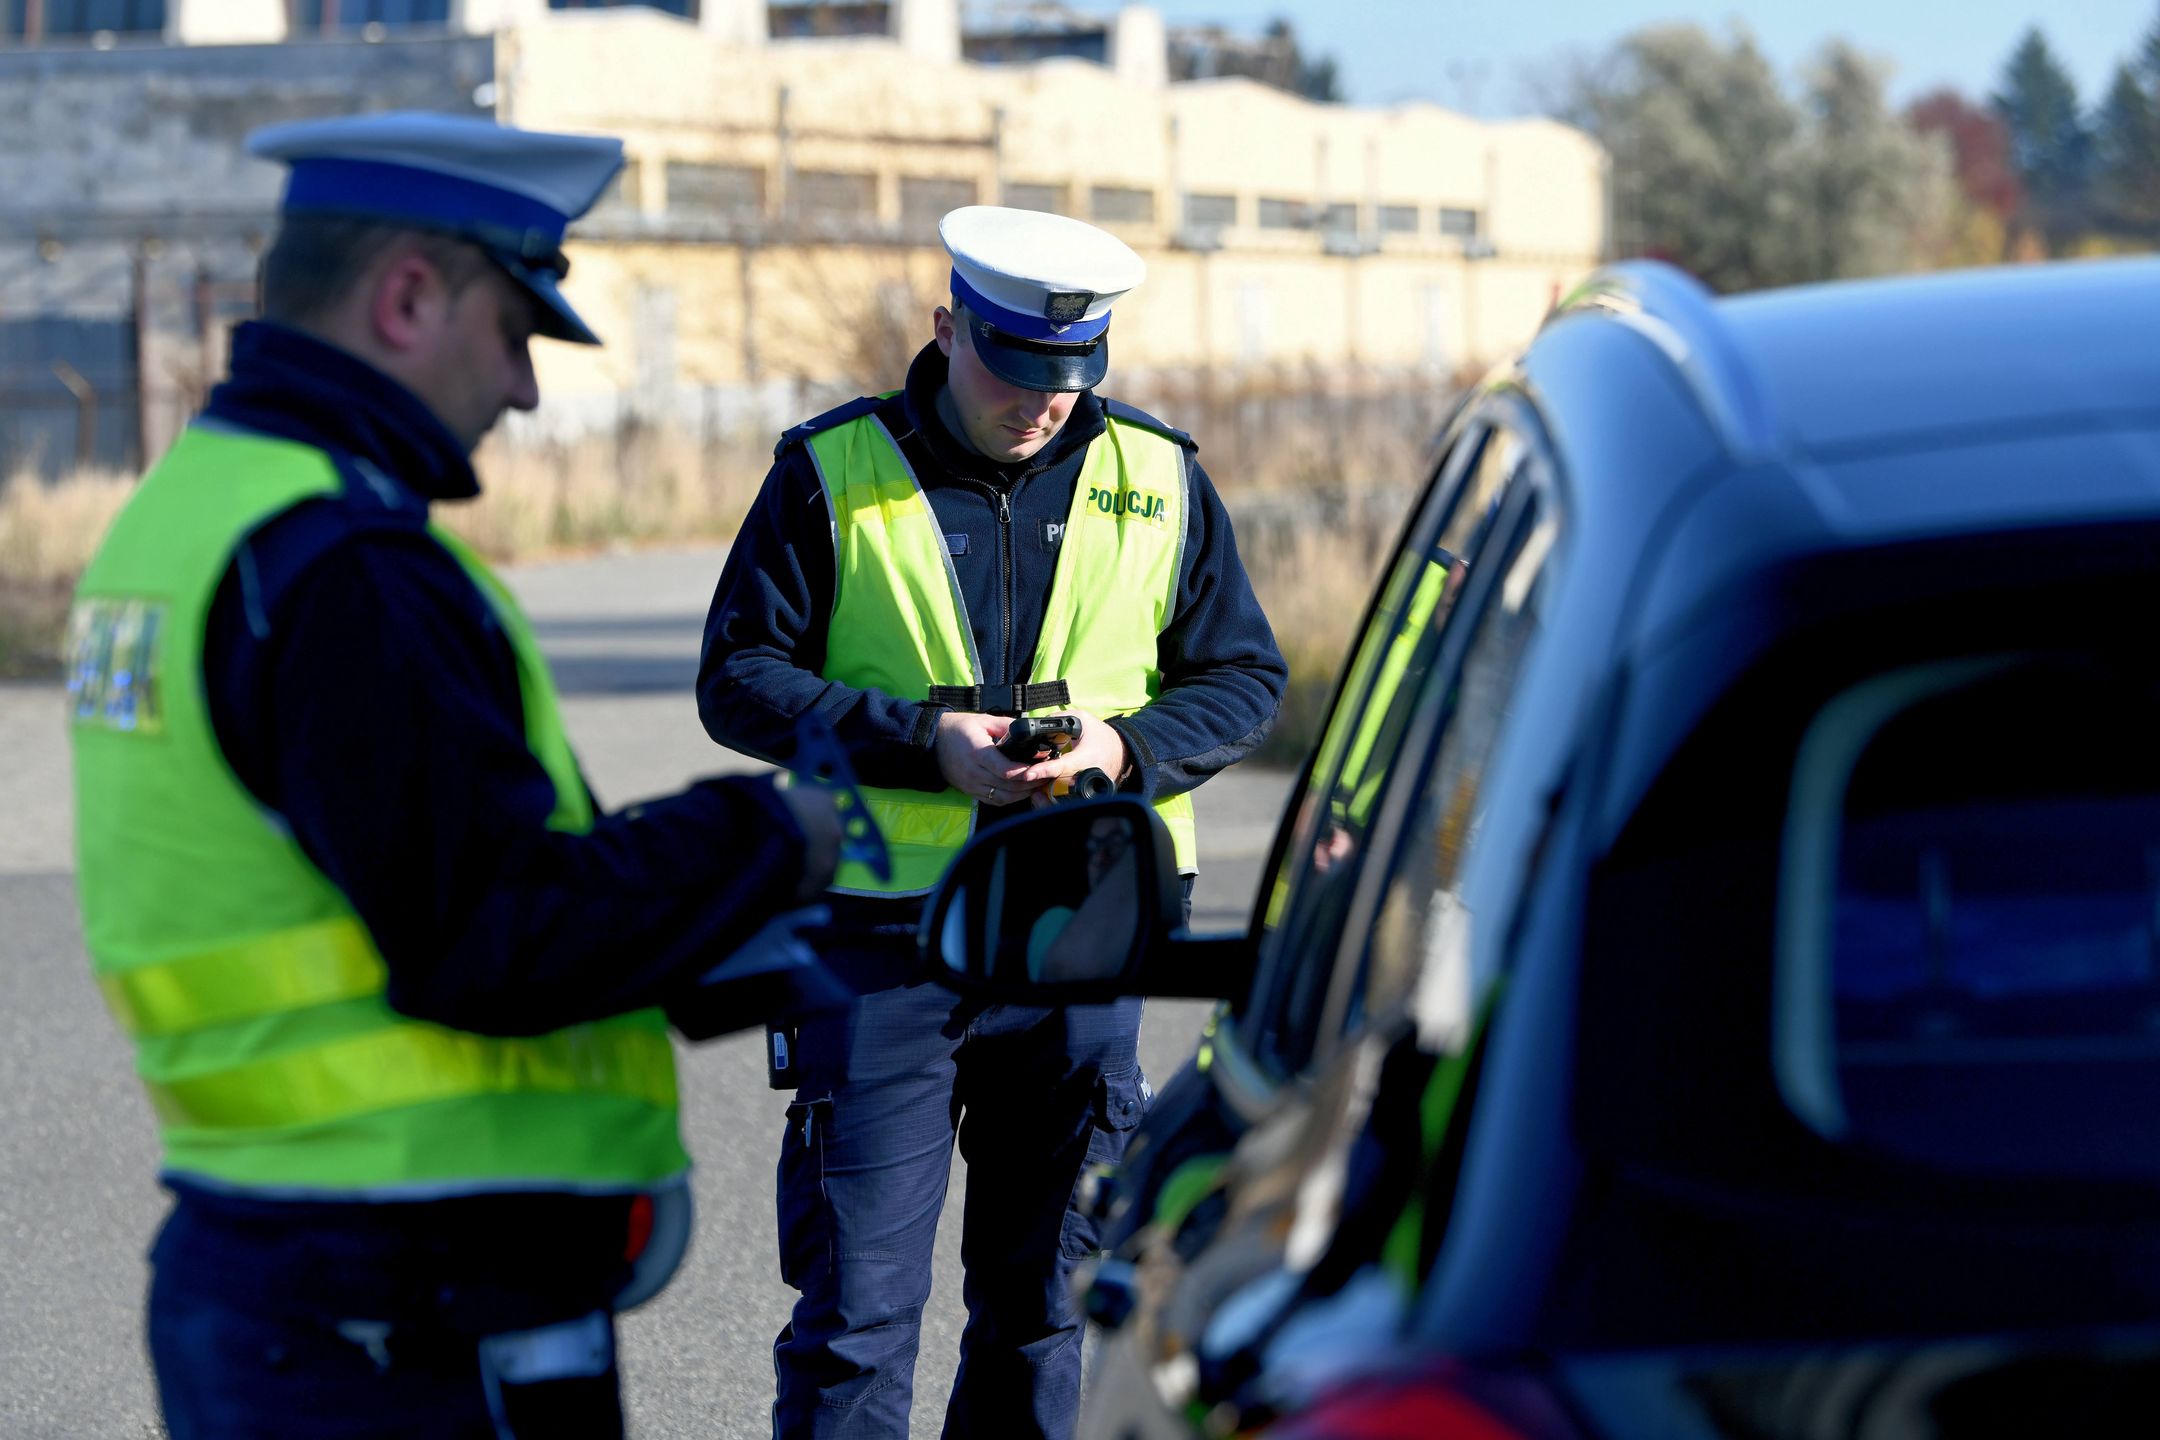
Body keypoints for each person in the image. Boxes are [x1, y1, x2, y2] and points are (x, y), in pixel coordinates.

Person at [66, 111, 844, 1440]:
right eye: (520, 331)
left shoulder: (194, 510)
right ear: (410, 296)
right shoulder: (349, 564)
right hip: (401, 1303)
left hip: (285, 1263)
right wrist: (775, 838)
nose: (529, 390)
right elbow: (492, 930)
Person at [699, 205, 1288, 1438]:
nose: (1041, 403)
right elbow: (740, 680)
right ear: (946, 328)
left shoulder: (1160, 476)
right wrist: (924, 745)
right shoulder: (830, 471)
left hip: (1083, 937)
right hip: (878, 945)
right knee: (857, 1319)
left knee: (1045, 1305)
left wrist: (1124, 748)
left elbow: (1243, 680)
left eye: (1069, 380)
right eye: (1013, 369)